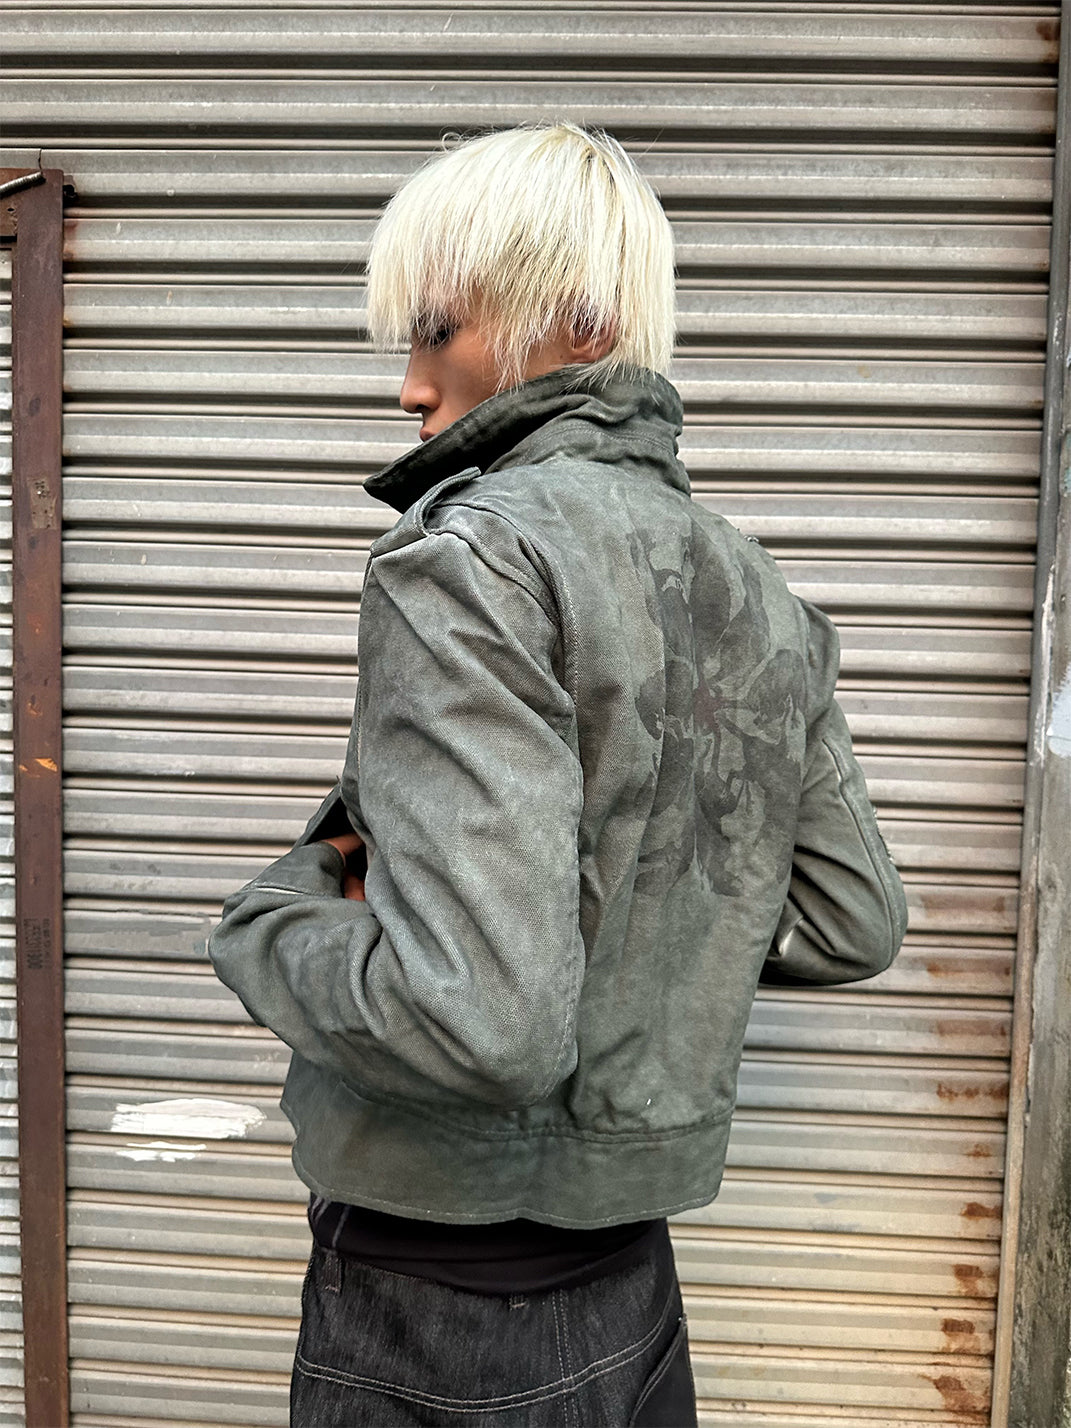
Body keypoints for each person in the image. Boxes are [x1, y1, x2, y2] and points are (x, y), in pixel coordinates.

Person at [208, 122, 908, 1427]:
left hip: (436, 1320)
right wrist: (648, 925)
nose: (409, 387)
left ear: (578, 325)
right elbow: (848, 918)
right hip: (633, 1291)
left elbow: (484, 1021)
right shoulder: (751, 583)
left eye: (437, 330)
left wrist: (271, 920)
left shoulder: (471, 561)